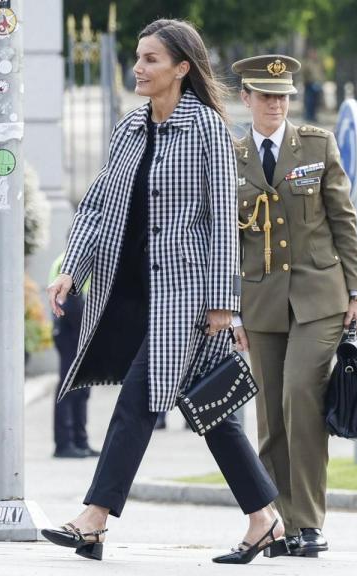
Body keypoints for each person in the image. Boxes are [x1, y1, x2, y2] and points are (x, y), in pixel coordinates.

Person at [42, 19, 288, 564]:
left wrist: (223, 302)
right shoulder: (129, 127)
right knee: (213, 414)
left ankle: (94, 518)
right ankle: (264, 519)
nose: (138, 68)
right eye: (138, 57)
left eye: (150, 59)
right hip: (129, 293)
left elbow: (223, 222)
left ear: (181, 68)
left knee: (137, 401)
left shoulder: (207, 129)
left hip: (185, 297)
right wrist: (71, 269)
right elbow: (98, 203)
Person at [230, 54, 357, 559]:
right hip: (260, 302)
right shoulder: (230, 155)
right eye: (266, 97)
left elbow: (343, 220)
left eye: (283, 96)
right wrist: (231, 310)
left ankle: (307, 523)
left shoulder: (316, 144)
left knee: (299, 395)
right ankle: (277, 524)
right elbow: (225, 241)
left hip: (319, 296)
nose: (276, 104)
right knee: (270, 414)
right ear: (246, 98)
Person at [49, 252, 97, 459]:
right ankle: (64, 444)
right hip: (71, 332)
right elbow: (70, 304)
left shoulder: (87, 260)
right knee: (69, 388)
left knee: (82, 388)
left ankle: (80, 440)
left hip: (80, 332)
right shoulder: (68, 262)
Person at [300, 49, 324, 122]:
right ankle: (308, 115)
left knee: (316, 102)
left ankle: (313, 116)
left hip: (317, 84)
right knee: (309, 101)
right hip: (309, 84)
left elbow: (321, 73)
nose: (314, 55)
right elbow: (304, 73)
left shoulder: (318, 62)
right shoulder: (307, 62)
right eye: (312, 54)